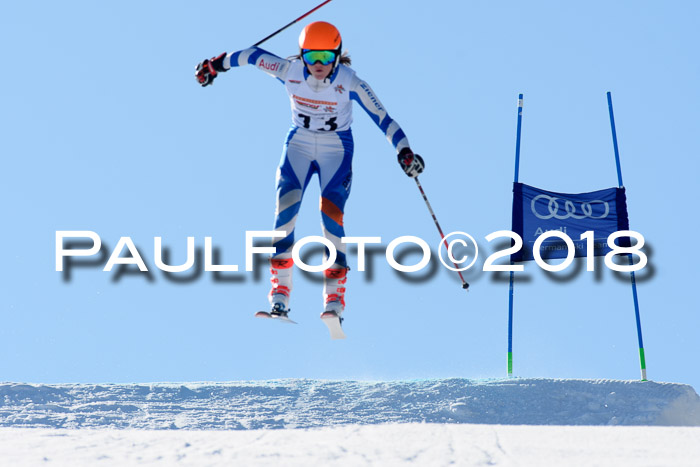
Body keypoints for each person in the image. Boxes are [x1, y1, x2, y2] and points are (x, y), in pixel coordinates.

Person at [195, 21, 424, 323]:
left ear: (338, 56)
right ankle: (280, 296)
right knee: (284, 216)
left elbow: (384, 119)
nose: (319, 65)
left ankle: (335, 299)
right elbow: (250, 56)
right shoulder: (287, 70)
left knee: (331, 219)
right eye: (313, 57)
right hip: (299, 146)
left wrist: (404, 151)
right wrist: (216, 65)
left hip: (336, 150)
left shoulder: (349, 81)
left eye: (327, 58)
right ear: (302, 55)